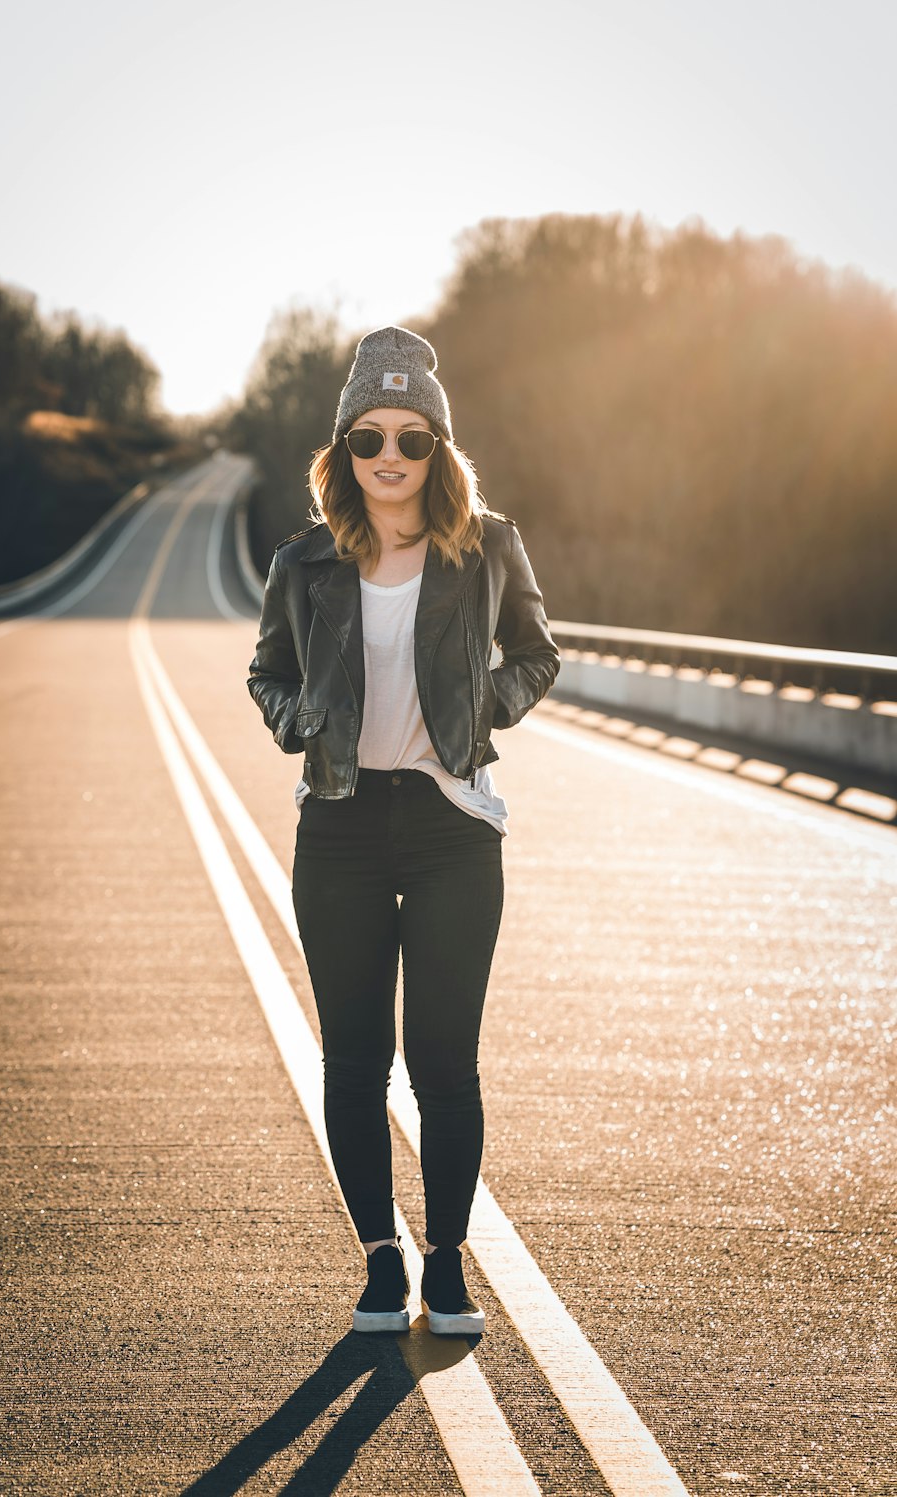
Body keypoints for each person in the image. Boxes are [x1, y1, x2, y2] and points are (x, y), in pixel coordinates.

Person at [247, 325, 560, 1336]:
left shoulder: (486, 548)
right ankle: (380, 1260)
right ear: (342, 451)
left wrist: (482, 714)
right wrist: (303, 723)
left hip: (450, 829)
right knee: (352, 1059)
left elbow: (536, 652)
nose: (390, 456)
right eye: (368, 438)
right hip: (339, 823)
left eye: (412, 438)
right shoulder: (303, 563)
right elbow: (270, 675)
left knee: (441, 1058)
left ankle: (447, 1261)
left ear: (440, 450)